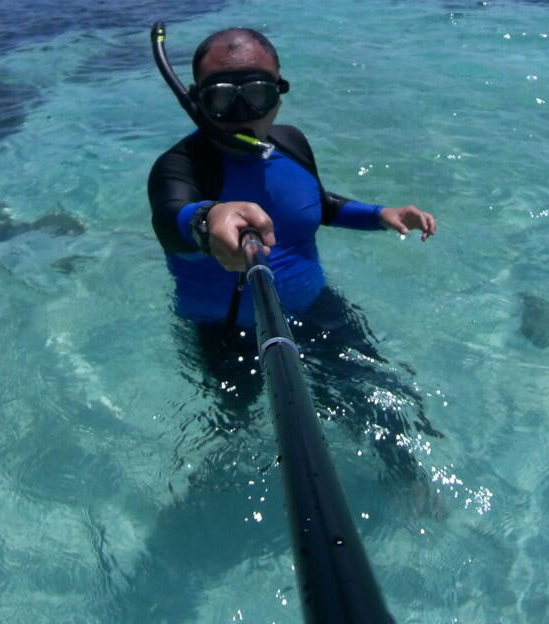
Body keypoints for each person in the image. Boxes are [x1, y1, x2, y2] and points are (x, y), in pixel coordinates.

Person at [147, 26, 439, 471]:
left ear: (279, 94)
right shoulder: (180, 166)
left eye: (258, 93)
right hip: (225, 331)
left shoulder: (291, 143)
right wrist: (210, 222)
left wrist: (380, 214)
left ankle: (408, 481)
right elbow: (173, 218)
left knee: (378, 398)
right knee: (237, 422)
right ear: (196, 100)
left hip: (318, 307)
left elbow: (314, 204)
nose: (241, 113)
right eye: (222, 98)